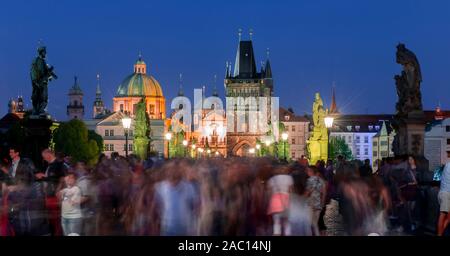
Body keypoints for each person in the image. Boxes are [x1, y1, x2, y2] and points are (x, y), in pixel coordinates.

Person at [36, 149, 67, 236]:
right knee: (52, 220)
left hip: (54, 197)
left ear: (49, 154)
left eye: (44, 156)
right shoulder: (50, 166)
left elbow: (62, 179)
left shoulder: (59, 164)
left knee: (56, 220)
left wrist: (58, 190)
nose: (44, 159)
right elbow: (52, 178)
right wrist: (43, 176)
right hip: (49, 196)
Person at [267, 166, 293, 236]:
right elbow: (291, 191)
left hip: (275, 201)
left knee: (276, 223)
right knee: (287, 223)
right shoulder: (289, 178)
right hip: (286, 201)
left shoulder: (272, 179)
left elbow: (269, 192)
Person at [306, 166, 326, 236]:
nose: (307, 172)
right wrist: (322, 204)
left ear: (311, 171)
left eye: (308, 171)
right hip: (318, 205)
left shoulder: (309, 180)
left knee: (309, 224)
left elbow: (307, 193)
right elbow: (324, 193)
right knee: (315, 224)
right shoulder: (321, 181)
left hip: (310, 204)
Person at [437, 162, 450, 236]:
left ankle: (440, 234)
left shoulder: (447, 164)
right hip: (445, 194)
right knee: (443, 215)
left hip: (445, 194)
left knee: (449, 218)